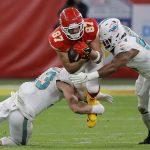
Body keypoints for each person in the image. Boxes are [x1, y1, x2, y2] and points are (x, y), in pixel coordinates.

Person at [69, 18, 150, 144]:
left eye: (106, 41)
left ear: (116, 35)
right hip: (145, 74)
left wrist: (88, 77)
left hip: (147, 72)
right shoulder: (121, 32)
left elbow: (114, 66)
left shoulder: (127, 46)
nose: (105, 44)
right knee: (142, 107)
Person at [0, 66, 113, 146]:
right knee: (16, 142)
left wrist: (97, 95)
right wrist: (98, 108)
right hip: (21, 114)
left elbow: (79, 91)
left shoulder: (56, 70)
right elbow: (75, 107)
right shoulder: (66, 84)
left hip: (11, 101)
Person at [49, 7, 104, 127]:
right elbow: (69, 68)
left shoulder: (90, 26)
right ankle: (90, 104)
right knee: (76, 82)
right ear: (63, 28)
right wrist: (82, 59)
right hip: (76, 61)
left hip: (91, 57)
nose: (75, 32)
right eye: (71, 30)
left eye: (77, 28)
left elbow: (99, 57)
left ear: (82, 24)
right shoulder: (57, 38)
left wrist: (88, 51)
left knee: (93, 88)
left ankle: (93, 99)